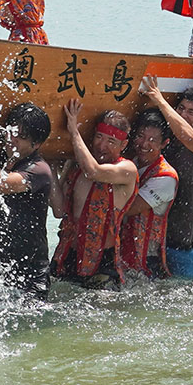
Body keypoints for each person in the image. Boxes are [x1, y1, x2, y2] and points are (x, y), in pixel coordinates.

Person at [0, 103, 56, 299]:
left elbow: (3, 184)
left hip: (30, 276)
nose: (11, 139)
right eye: (11, 131)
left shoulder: (39, 169)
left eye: (21, 137)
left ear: (36, 144)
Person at [51, 101, 138, 288]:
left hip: (102, 264)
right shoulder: (76, 166)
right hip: (67, 256)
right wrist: (49, 163)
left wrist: (74, 131)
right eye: (99, 137)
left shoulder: (126, 170)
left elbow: (94, 172)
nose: (102, 146)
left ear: (124, 144)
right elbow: (58, 211)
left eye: (111, 141)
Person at [141, 76, 193, 277]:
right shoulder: (168, 144)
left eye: (191, 112)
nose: (184, 115)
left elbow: (187, 134)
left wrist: (160, 100)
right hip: (164, 243)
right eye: (181, 109)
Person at [117, 110, 178, 280]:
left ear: (164, 143)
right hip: (123, 253)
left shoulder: (166, 177)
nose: (144, 144)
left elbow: (127, 208)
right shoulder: (132, 163)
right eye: (140, 136)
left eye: (152, 140)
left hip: (148, 261)